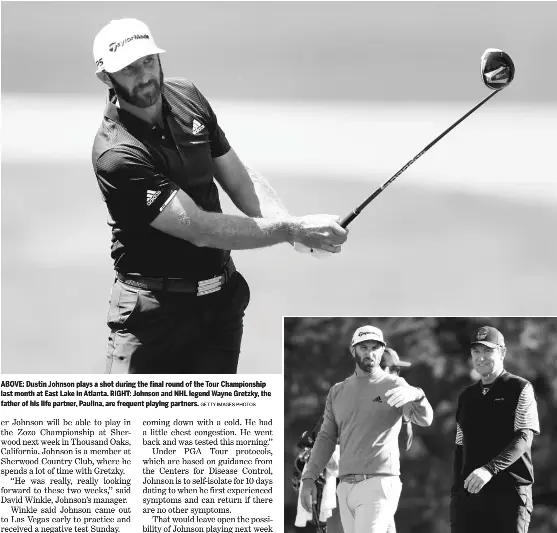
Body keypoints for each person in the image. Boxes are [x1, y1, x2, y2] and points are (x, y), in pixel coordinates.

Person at [91, 19, 348, 374]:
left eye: (149, 61)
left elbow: (240, 180)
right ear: (107, 77)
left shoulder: (187, 97)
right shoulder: (117, 153)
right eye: (130, 69)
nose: (145, 75)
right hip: (152, 318)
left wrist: (294, 227)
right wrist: (290, 230)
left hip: (218, 310)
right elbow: (199, 228)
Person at [300, 325, 434, 533]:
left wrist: (418, 395)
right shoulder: (337, 392)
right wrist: (309, 477)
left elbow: (425, 420)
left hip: (379, 484)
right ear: (353, 350)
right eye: (363, 347)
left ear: (382, 351)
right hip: (345, 487)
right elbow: (326, 437)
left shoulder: (396, 384)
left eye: (375, 347)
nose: (369, 353)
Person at [450, 326, 540, 533]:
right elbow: (460, 447)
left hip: (510, 494)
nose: (481, 358)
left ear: (502, 352)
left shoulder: (520, 388)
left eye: (488, 351)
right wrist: (455, 495)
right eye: (476, 351)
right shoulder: (466, 396)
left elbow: (524, 438)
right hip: (469, 500)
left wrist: (489, 469)